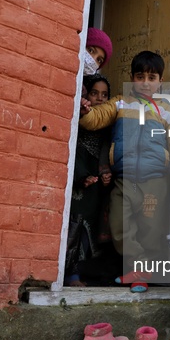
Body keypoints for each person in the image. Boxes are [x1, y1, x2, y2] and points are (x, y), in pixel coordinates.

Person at [79, 51, 170, 293]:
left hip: (155, 180)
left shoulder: (168, 110)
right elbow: (96, 118)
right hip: (125, 179)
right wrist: (87, 112)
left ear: (160, 81)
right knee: (118, 224)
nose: (145, 82)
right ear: (132, 78)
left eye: (152, 77)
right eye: (140, 77)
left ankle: (140, 275)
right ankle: (139, 269)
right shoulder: (120, 103)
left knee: (151, 229)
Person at [64, 30, 113, 287]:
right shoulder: (78, 100)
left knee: (92, 227)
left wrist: (103, 171)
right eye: (91, 51)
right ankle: (69, 274)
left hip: (95, 182)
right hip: (78, 180)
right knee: (73, 223)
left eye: (105, 95)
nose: (100, 99)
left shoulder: (104, 119)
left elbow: (107, 148)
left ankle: (84, 273)